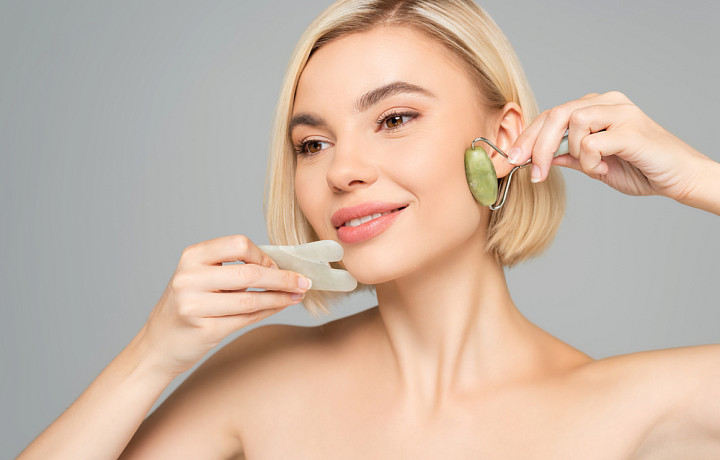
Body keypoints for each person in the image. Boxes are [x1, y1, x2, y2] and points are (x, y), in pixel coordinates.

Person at [18, 0, 720, 458]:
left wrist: (698, 178)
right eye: (312, 144)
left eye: (394, 119)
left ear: (504, 138)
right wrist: (151, 356)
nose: (343, 170)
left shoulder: (631, 406)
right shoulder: (260, 379)